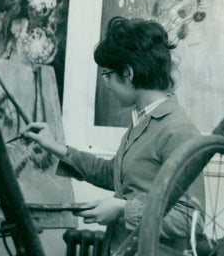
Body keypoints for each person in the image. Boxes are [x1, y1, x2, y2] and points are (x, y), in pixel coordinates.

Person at [24, 16, 202, 239]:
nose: (106, 85)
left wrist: (121, 209)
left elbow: (190, 221)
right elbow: (113, 174)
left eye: (107, 76)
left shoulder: (178, 130)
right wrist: (55, 147)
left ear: (128, 73)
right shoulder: (143, 119)